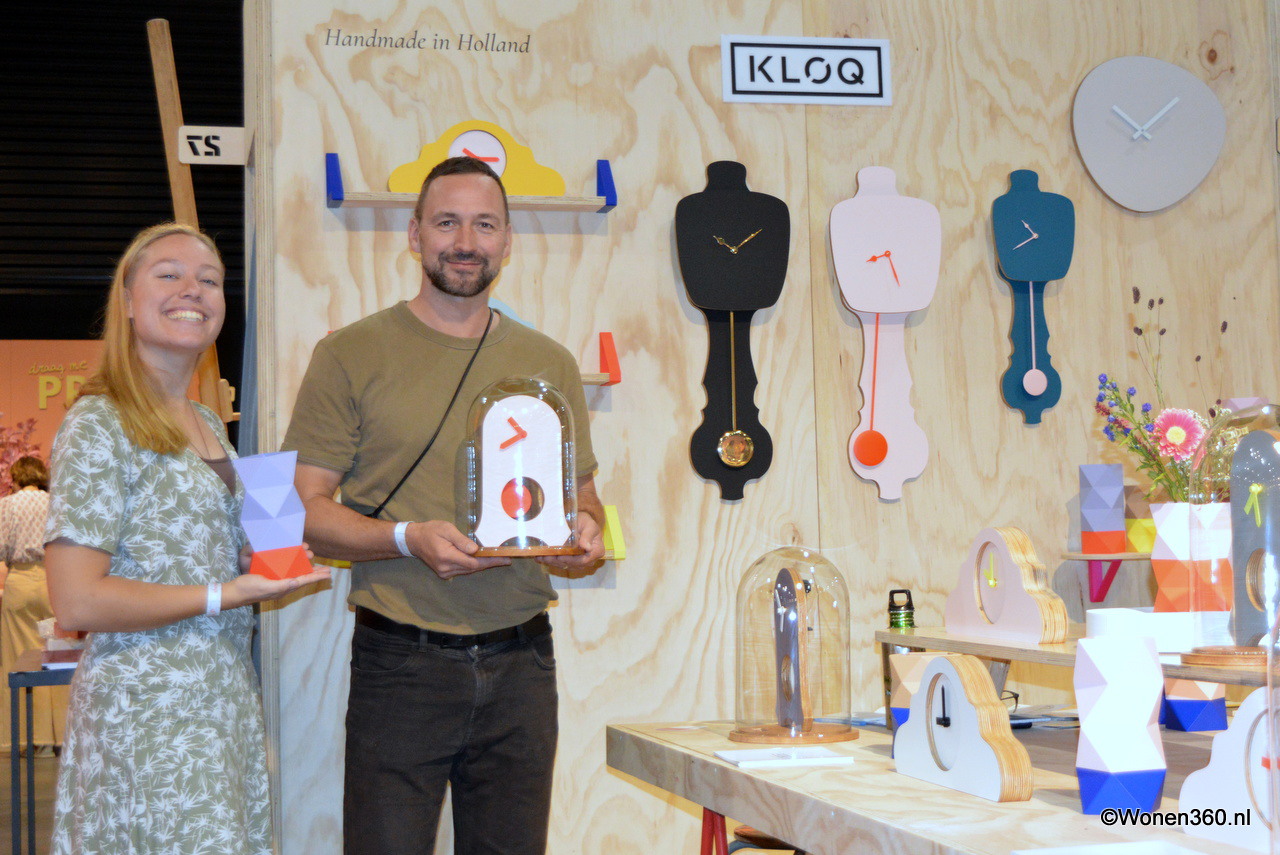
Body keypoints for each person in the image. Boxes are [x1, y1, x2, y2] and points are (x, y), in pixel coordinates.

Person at [281, 156, 604, 855]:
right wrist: (406, 538)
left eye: (484, 225)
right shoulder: (349, 354)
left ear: (507, 240)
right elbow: (301, 511)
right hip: (401, 662)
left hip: (523, 661)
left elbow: (582, 501)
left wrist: (585, 534)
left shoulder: (549, 363)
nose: (465, 242)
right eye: (447, 222)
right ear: (414, 234)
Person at [43, 222, 330, 855]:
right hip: (146, 713)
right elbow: (77, 600)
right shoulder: (99, 421)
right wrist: (227, 592)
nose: (192, 290)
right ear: (126, 300)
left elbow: (189, 553)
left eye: (209, 279)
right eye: (168, 274)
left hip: (219, 702)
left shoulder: (205, 420)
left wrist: (258, 560)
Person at [0, 455, 68, 753]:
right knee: (56, 654)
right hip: (53, 583)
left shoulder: (6, 505)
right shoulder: (55, 502)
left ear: (16, 477)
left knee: (20, 659)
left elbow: (1, 548)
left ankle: (29, 737)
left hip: (21, 583)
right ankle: (61, 736)